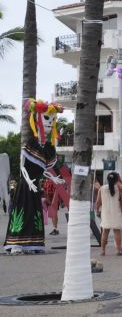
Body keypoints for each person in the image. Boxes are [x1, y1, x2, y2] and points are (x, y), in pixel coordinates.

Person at [4, 99, 63, 254]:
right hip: (25, 186)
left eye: (52, 120)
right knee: (23, 214)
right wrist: (28, 181)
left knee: (34, 215)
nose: (50, 123)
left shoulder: (48, 147)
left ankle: (33, 244)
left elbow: (43, 169)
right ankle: (16, 244)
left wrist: (53, 178)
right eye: (46, 118)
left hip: (35, 187)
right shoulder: (30, 143)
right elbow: (23, 166)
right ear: (37, 120)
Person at [96, 171, 122, 256]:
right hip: (116, 213)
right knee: (116, 231)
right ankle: (118, 251)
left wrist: (97, 211)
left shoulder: (102, 188)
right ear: (116, 179)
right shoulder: (119, 187)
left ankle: (103, 251)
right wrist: (120, 181)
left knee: (105, 232)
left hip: (105, 213)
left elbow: (98, 202)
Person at [47, 162, 72, 234]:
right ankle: (55, 228)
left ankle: (55, 228)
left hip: (59, 188)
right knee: (53, 209)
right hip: (55, 188)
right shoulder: (54, 167)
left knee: (68, 208)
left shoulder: (61, 168)